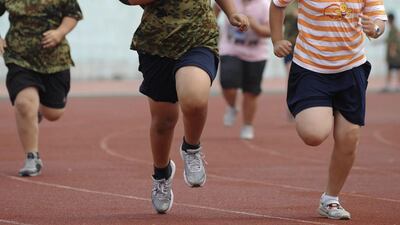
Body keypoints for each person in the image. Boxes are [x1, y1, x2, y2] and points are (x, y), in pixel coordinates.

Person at [118, 0, 248, 214]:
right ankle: (161, 173)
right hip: (157, 45)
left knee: (195, 100)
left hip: (198, 40)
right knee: (163, 121)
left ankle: (191, 147)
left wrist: (232, 13)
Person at [270, 0, 387, 220]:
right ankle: (322, 106)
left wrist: (376, 28)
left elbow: (378, 19)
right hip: (310, 68)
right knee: (313, 134)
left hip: (351, 68)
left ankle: (330, 199)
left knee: (349, 138)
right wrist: (276, 40)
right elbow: (277, 5)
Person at [0, 1, 83, 177]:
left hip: (55, 60)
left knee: (54, 113)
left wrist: (60, 32)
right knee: (23, 104)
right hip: (19, 57)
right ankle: (32, 157)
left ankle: (35, 110)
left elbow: (73, 14)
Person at [214, 0, 271, 140]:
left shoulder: (265, 5)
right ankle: (232, 106)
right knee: (228, 84)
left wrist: (255, 25)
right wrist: (213, 24)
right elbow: (216, 6)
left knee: (251, 92)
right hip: (231, 48)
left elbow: (270, 31)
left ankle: (247, 125)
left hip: (256, 53)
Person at [382, 13, 400, 92]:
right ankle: (391, 85)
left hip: (394, 54)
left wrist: (392, 51)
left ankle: (392, 85)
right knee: (392, 69)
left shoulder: (394, 30)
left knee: (394, 68)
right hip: (394, 53)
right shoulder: (394, 29)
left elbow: (394, 42)